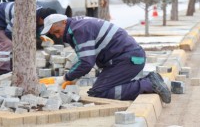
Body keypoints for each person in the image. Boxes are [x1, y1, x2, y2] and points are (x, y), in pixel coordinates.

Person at [40, 14, 171, 103]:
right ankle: (147, 82)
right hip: (124, 59)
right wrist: (75, 78)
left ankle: (148, 84)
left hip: (128, 59)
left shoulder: (79, 30)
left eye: (57, 31)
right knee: (102, 88)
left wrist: (65, 78)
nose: (58, 35)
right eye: (54, 34)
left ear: (64, 22)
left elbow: (86, 63)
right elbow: (86, 57)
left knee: (99, 92)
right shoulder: (77, 25)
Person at [0, 2, 56, 76]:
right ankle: (3, 71)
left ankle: (12, 68)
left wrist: (40, 36)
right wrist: (21, 42)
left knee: (16, 44)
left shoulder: (41, 13)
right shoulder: (24, 15)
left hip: (4, 18)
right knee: (7, 44)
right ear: (41, 18)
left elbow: (35, 27)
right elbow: (9, 32)